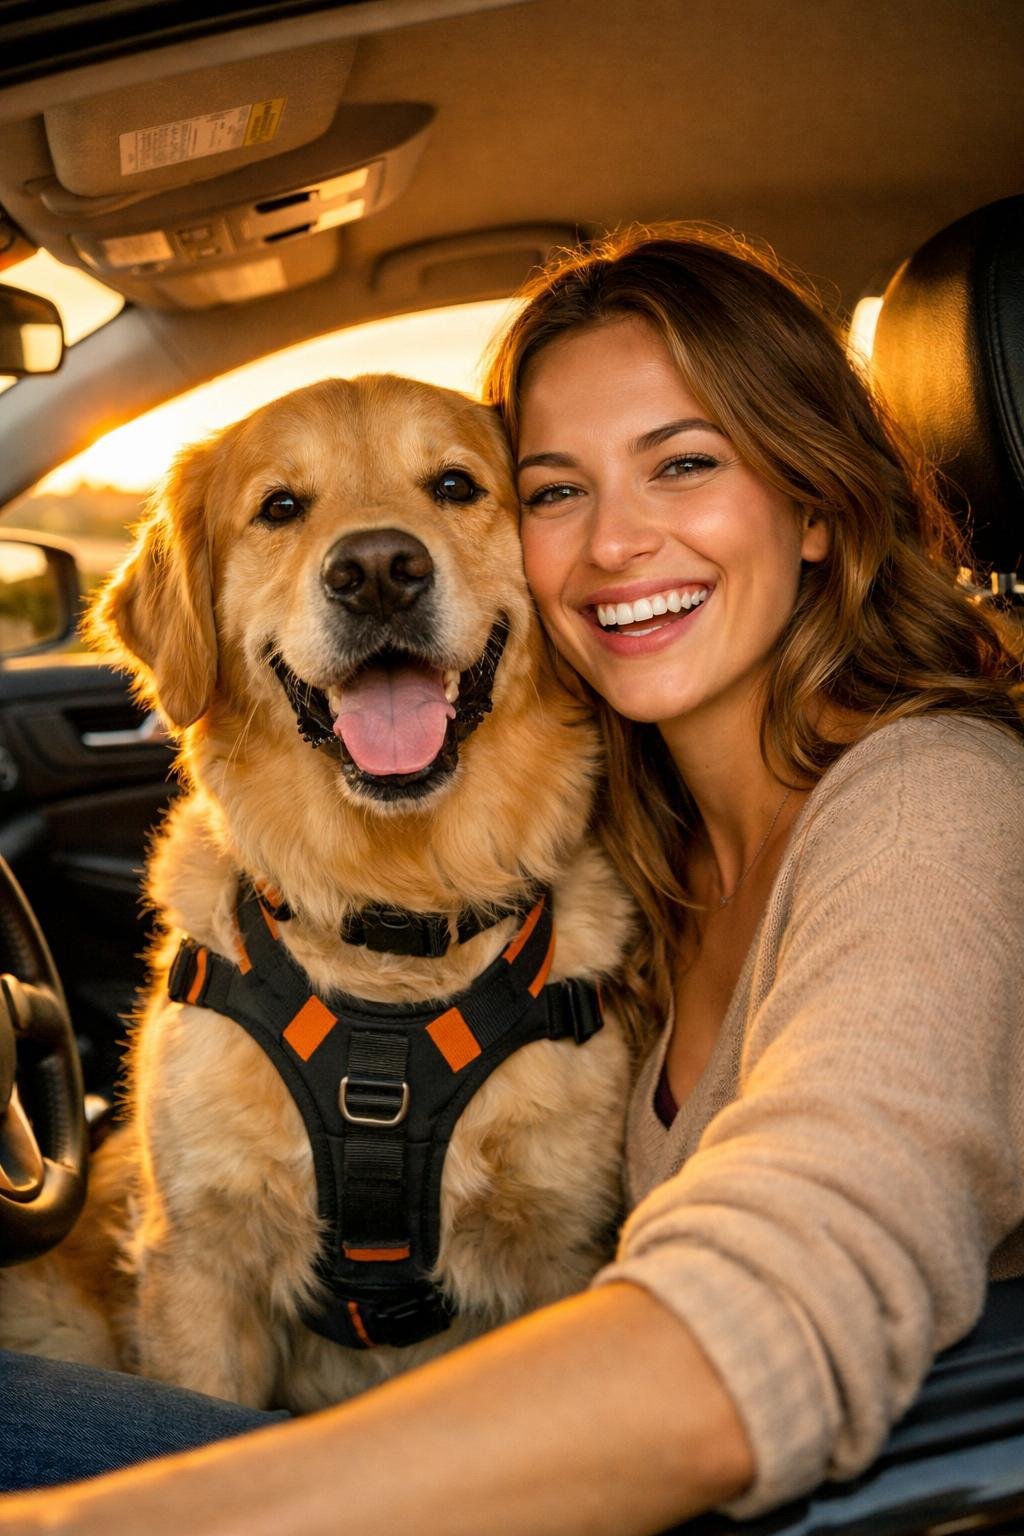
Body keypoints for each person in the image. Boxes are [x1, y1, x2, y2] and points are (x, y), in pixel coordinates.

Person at [1, 224, 1022, 1535]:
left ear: (816, 503)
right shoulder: (647, 828)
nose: (612, 546)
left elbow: (783, 1307)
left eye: (687, 465)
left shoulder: (937, 806)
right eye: (552, 490)